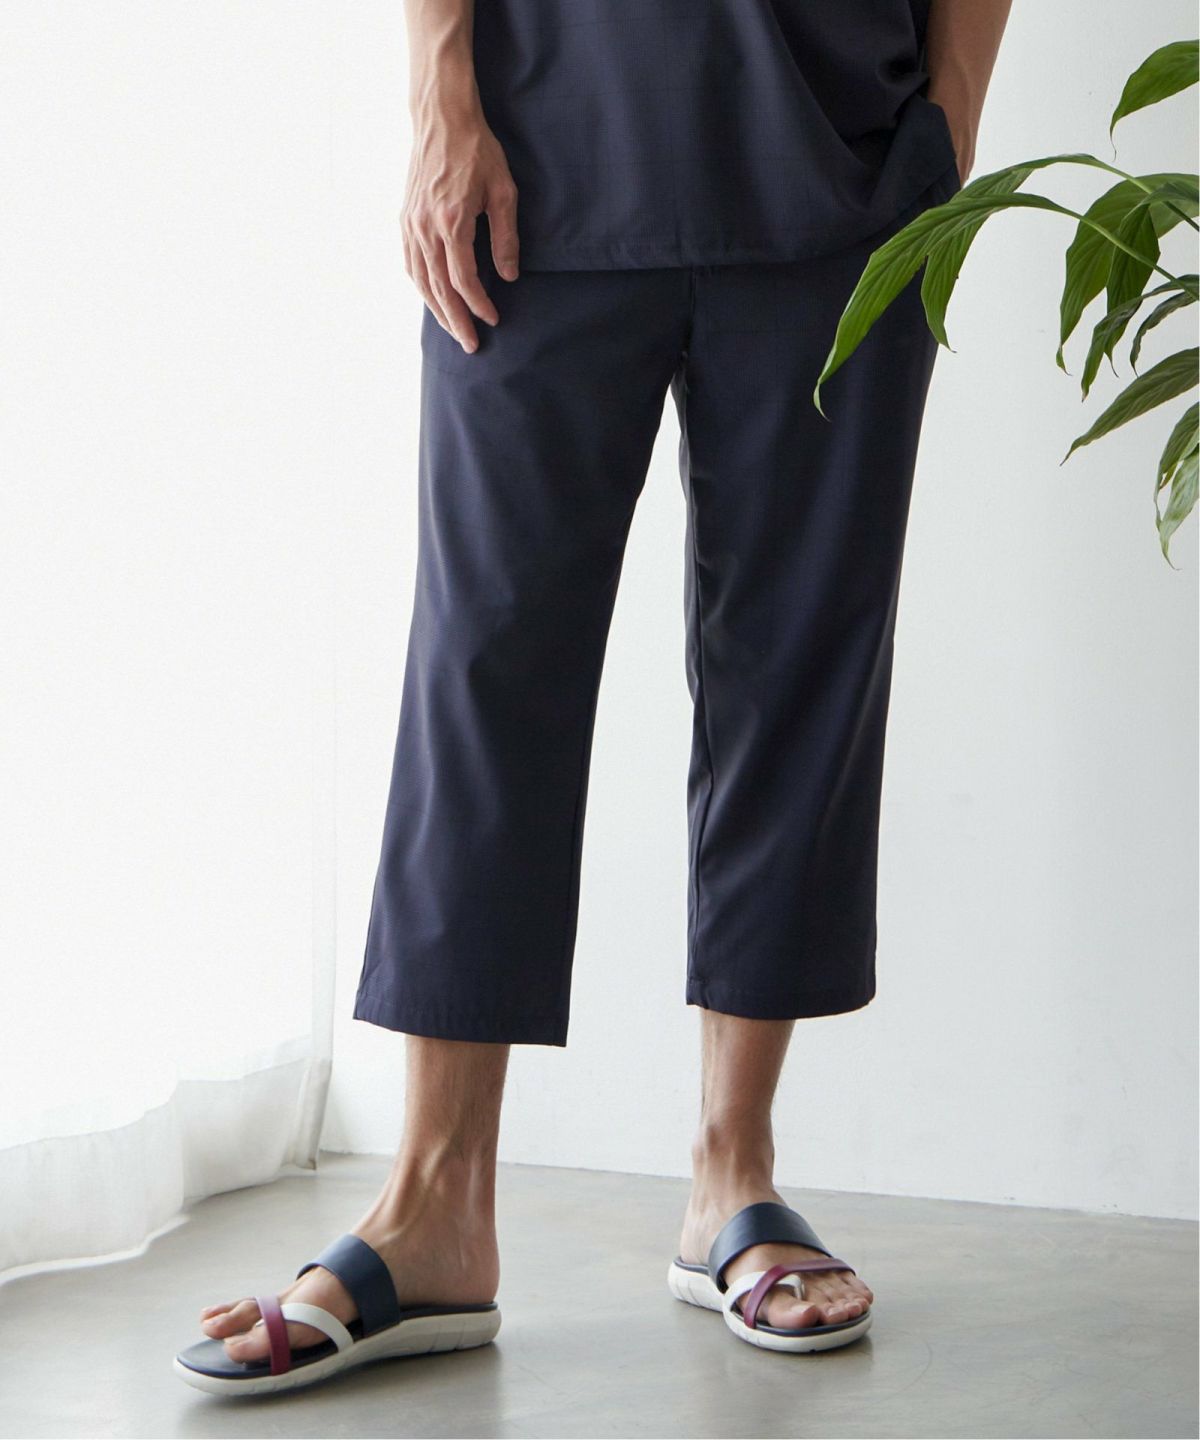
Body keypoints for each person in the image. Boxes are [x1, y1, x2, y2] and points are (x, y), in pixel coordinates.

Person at [175, 0, 1011, 1395]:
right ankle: (435, 1206)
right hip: (533, 156)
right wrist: (440, 92)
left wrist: (950, 117)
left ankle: (734, 1173)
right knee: (483, 663)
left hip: (844, 159)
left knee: (799, 663)